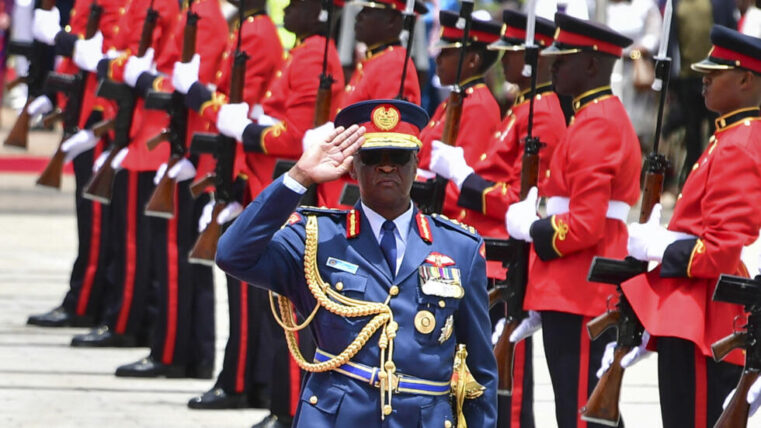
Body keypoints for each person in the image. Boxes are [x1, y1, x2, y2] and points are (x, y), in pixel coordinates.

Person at [216, 99, 498, 427]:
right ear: (353, 166)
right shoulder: (316, 238)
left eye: (399, 156)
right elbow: (232, 254)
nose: (387, 167)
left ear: (416, 163)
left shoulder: (459, 247)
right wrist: (299, 177)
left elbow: (480, 373)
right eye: (373, 157)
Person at [430, 10, 567, 428]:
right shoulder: (520, 108)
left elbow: (518, 199)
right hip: (485, 247)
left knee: (504, 376)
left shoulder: (540, 113)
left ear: (534, 60)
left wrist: (466, 179)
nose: (501, 60)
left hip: (505, 254)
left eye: (510, 53)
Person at [620, 25, 761, 427]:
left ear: (746, 80)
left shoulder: (740, 145)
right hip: (693, 309)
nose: (704, 80)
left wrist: (660, 247)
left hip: (708, 317)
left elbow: (718, 250)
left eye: (714, 74)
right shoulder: (727, 137)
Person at [505, 12, 641, 428]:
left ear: (592, 64)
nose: (553, 64)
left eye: (563, 57)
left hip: (579, 284)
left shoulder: (596, 123)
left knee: (581, 412)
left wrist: (534, 228)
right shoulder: (590, 117)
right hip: (570, 282)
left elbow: (584, 224)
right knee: (581, 406)